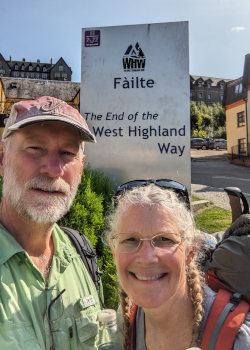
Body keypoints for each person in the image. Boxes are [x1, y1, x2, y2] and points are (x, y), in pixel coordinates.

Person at [0, 96, 103, 349]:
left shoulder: (82, 253)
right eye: (35, 148)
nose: (54, 169)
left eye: (67, 153)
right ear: (2, 159)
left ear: (81, 167)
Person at [106, 180, 250, 350]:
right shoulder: (124, 325)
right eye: (130, 239)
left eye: (164, 239)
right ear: (114, 251)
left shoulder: (240, 340)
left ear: (190, 251)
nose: (146, 257)